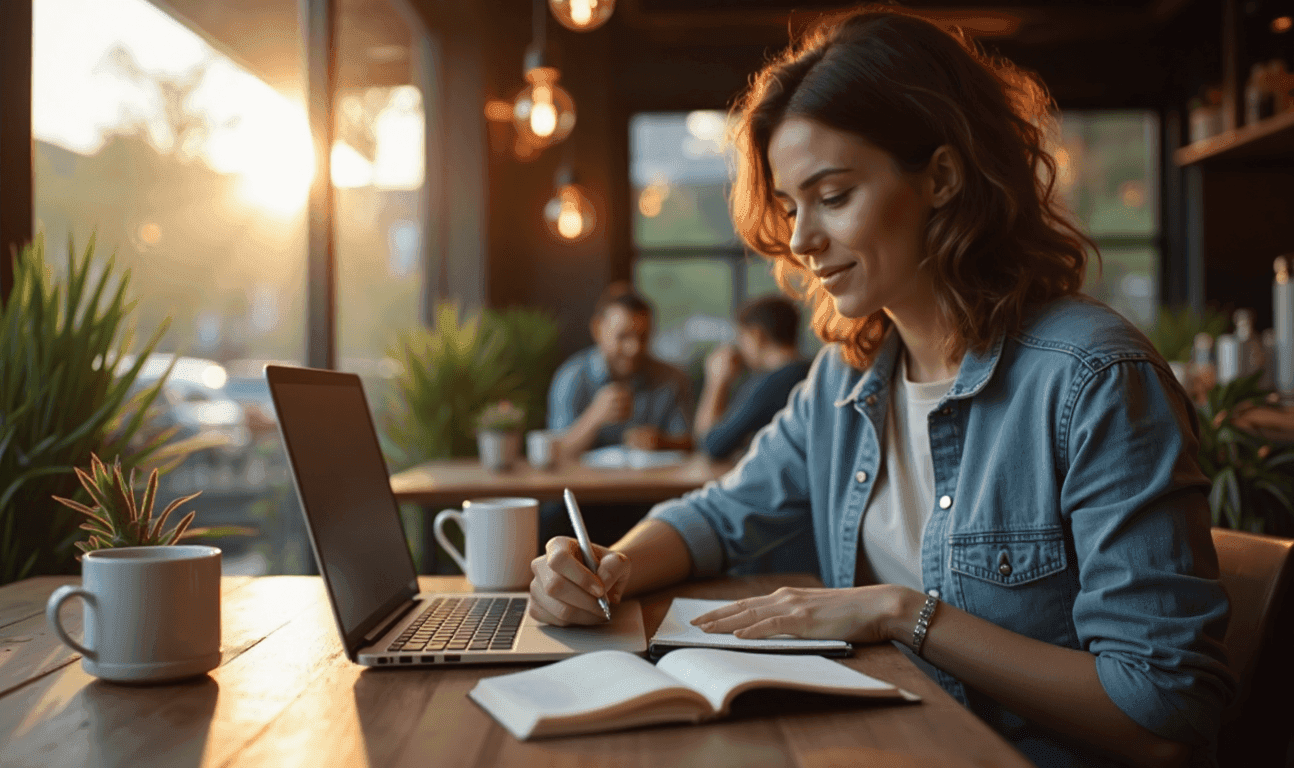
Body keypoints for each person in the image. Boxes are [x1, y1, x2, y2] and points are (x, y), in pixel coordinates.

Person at [527, 8, 1234, 768]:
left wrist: (902, 613)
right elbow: (721, 515)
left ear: (941, 177)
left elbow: (1162, 712)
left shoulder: (1092, 379)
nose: (800, 240)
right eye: (792, 207)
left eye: (832, 197)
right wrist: (613, 565)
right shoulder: (848, 375)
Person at [547, 283, 693, 459]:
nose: (634, 348)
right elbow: (554, 453)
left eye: (643, 336)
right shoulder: (571, 377)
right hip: (586, 485)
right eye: (623, 336)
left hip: (652, 483)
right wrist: (594, 417)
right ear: (597, 329)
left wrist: (662, 442)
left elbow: (692, 443)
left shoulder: (671, 379)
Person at [695, 295, 811, 460]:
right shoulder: (811, 371)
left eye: (741, 337)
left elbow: (711, 445)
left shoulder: (774, 383)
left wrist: (717, 381)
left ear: (756, 335)